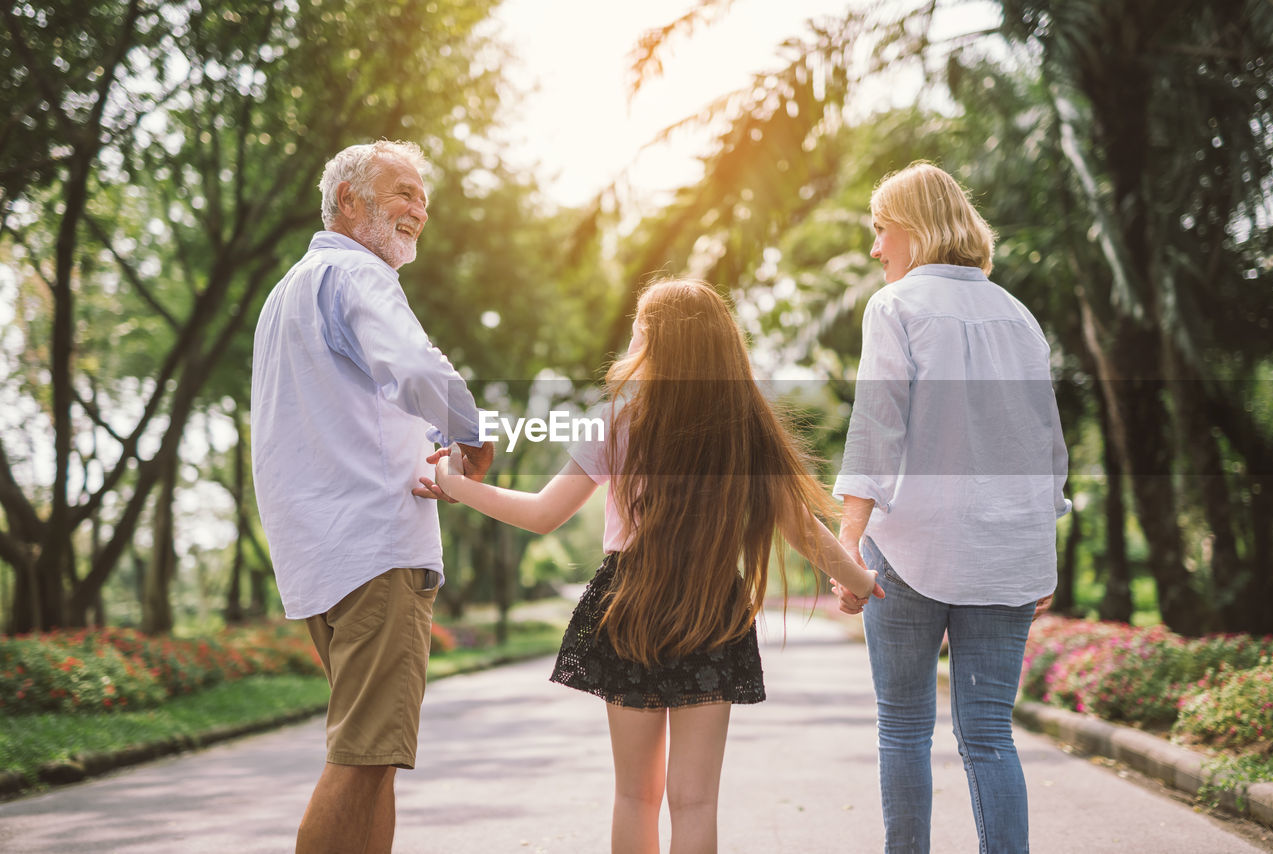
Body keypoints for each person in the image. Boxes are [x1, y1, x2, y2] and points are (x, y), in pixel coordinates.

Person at [414, 279, 883, 854]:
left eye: (641, 322)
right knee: (696, 801)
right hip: (713, 605)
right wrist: (857, 580)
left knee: (636, 796)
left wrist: (455, 485)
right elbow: (800, 526)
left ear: (656, 340)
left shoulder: (619, 423)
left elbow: (542, 515)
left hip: (630, 602)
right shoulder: (745, 432)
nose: (633, 331)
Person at [250, 139, 494, 854]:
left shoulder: (288, 293)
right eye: (401, 192)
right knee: (361, 757)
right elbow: (413, 365)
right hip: (376, 550)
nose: (417, 209)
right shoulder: (356, 276)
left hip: (322, 554)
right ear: (349, 202)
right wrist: (470, 430)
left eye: (422, 197)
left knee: (375, 758)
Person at [829, 161, 1070, 853]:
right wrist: (1038, 555)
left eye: (880, 230)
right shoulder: (1017, 315)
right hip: (1008, 551)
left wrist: (848, 545)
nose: (876, 249)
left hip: (910, 549)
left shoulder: (897, 304)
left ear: (913, 227)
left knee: (904, 727)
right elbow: (1045, 447)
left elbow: (877, 427)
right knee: (990, 735)